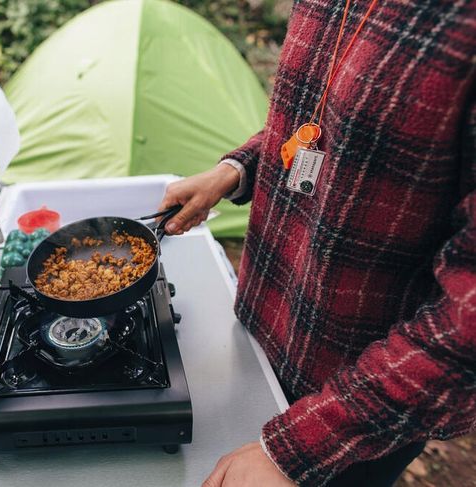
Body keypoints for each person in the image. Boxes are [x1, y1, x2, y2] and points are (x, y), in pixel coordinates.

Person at [159, 1, 476, 486]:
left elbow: (467, 325)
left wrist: (298, 448)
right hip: (265, 328)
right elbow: (320, 123)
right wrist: (234, 170)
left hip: (362, 395)